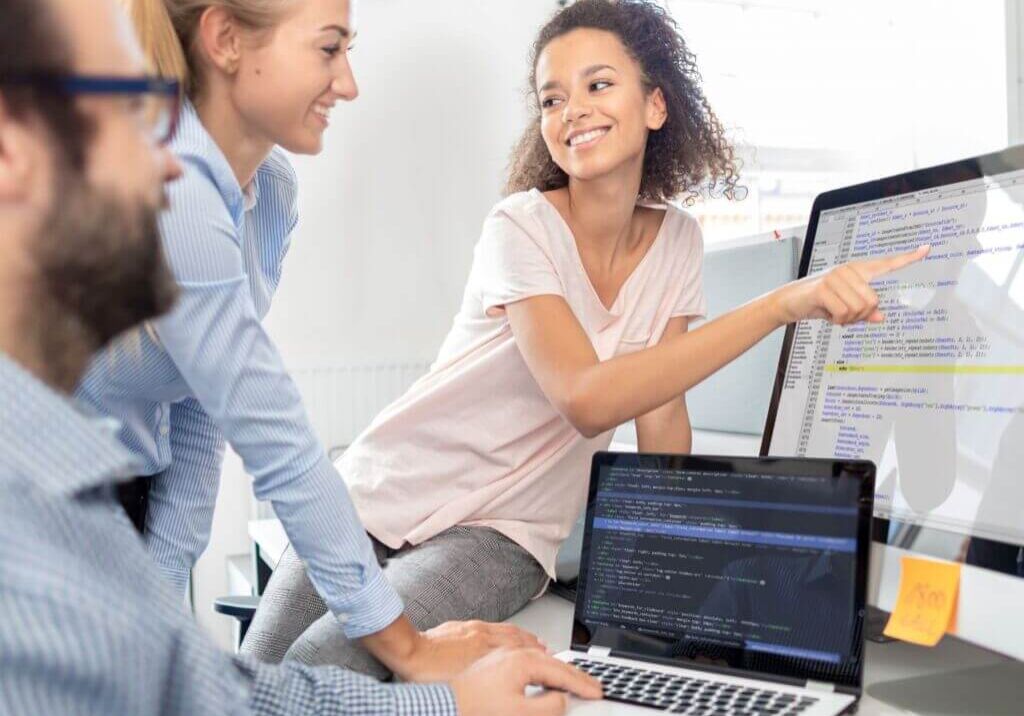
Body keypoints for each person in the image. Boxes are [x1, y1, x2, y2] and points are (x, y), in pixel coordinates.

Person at [243, 0, 929, 678]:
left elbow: (660, 409)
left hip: (503, 534)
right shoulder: (521, 227)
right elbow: (585, 398)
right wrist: (785, 304)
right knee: (251, 676)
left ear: (656, 105)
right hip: (378, 488)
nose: (572, 109)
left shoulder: (678, 240)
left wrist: (679, 571)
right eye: (551, 97)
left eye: (598, 85)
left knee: (322, 663)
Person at [0, 0, 602, 713]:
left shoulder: (269, 193)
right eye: (327, 49)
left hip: (115, 502)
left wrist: (156, 613)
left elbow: (201, 418)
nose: (348, 83)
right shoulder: (185, 193)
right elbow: (277, 440)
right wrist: (425, 672)